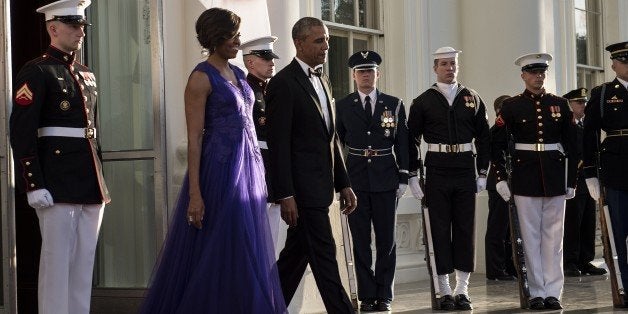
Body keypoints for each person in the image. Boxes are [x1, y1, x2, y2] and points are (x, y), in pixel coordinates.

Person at [139, 8, 286, 313]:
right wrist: (195, 193)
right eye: (231, 36)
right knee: (218, 247)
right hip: (219, 173)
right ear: (215, 37)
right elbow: (194, 138)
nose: (237, 41)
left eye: (237, 35)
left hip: (249, 169)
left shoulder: (241, 75)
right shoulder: (200, 77)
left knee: (245, 247)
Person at [9, 1, 109, 313]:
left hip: (89, 179)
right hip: (56, 181)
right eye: (73, 25)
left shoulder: (85, 73)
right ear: (53, 28)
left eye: (82, 26)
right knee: (57, 264)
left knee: (83, 263)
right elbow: (22, 131)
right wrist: (33, 182)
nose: (81, 31)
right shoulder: (37, 71)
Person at [265, 16, 357, 314]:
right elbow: (278, 145)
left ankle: (260, 304)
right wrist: (285, 194)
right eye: (319, 41)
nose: (326, 46)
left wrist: (343, 183)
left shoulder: (325, 80)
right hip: (302, 194)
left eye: (327, 40)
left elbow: (330, 139)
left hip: (322, 189)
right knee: (326, 258)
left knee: (293, 260)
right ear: (299, 43)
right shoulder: (282, 84)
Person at [407, 47, 490, 311]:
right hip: (437, 169)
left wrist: (483, 172)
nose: (449, 68)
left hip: (466, 168)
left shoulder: (472, 98)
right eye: (444, 64)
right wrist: (412, 174)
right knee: (439, 228)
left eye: (453, 63)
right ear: (435, 68)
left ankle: (462, 289)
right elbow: (411, 139)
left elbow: (484, 137)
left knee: (465, 227)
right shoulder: (423, 101)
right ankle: (443, 288)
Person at [493, 53, 577, 310]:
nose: (538, 77)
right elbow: (495, 144)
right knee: (529, 238)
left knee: (554, 239)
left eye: (541, 72)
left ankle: (554, 292)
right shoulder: (512, 106)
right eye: (532, 72)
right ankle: (536, 292)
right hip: (525, 175)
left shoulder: (560, 104)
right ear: (523, 76)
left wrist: (571, 180)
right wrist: (500, 178)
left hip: (553, 175)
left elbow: (573, 145)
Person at [335, 50, 409, 312]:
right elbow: (338, 143)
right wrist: (340, 181)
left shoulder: (394, 103)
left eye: (371, 71)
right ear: (354, 76)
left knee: (386, 240)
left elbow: (403, 143)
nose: (366, 75)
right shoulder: (343, 105)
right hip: (355, 180)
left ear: (378, 74)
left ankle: (384, 294)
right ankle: (367, 295)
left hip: (386, 178)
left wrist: (404, 177)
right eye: (361, 72)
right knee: (361, 240)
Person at [583, 40, 628, 305]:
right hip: (616, 170)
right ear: (613, 64)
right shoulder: (602, 94)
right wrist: (590, 172)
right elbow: (588, 135)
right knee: (618, 231)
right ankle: (624, 286)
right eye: (624, 61)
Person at [240, 35, 282, 252]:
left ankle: (268, 278)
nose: (271, 62)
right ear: (250, 62)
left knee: (272, 229)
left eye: (271, 58)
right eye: (265, 58)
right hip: (256, 163)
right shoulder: (244, 89)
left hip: (273, 165)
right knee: (256, 229)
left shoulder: (273, 89)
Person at [563, 88, 607, 277]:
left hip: (589, 179)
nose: (584, 106)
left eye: (585, 102)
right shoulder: (566, 126)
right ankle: (570, 260)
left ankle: (586, 259)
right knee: (573, 221)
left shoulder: (586, 125)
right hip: (573, 179)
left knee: (588, 220)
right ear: (570, 105)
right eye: (579, 102)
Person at [484, 95, 517, 281]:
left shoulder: (513, 131)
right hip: (498, 184)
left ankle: (509, 266)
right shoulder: (497, 130)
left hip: (514, 183)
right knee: (498, 228)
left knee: (509, 230)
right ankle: (495, 269)